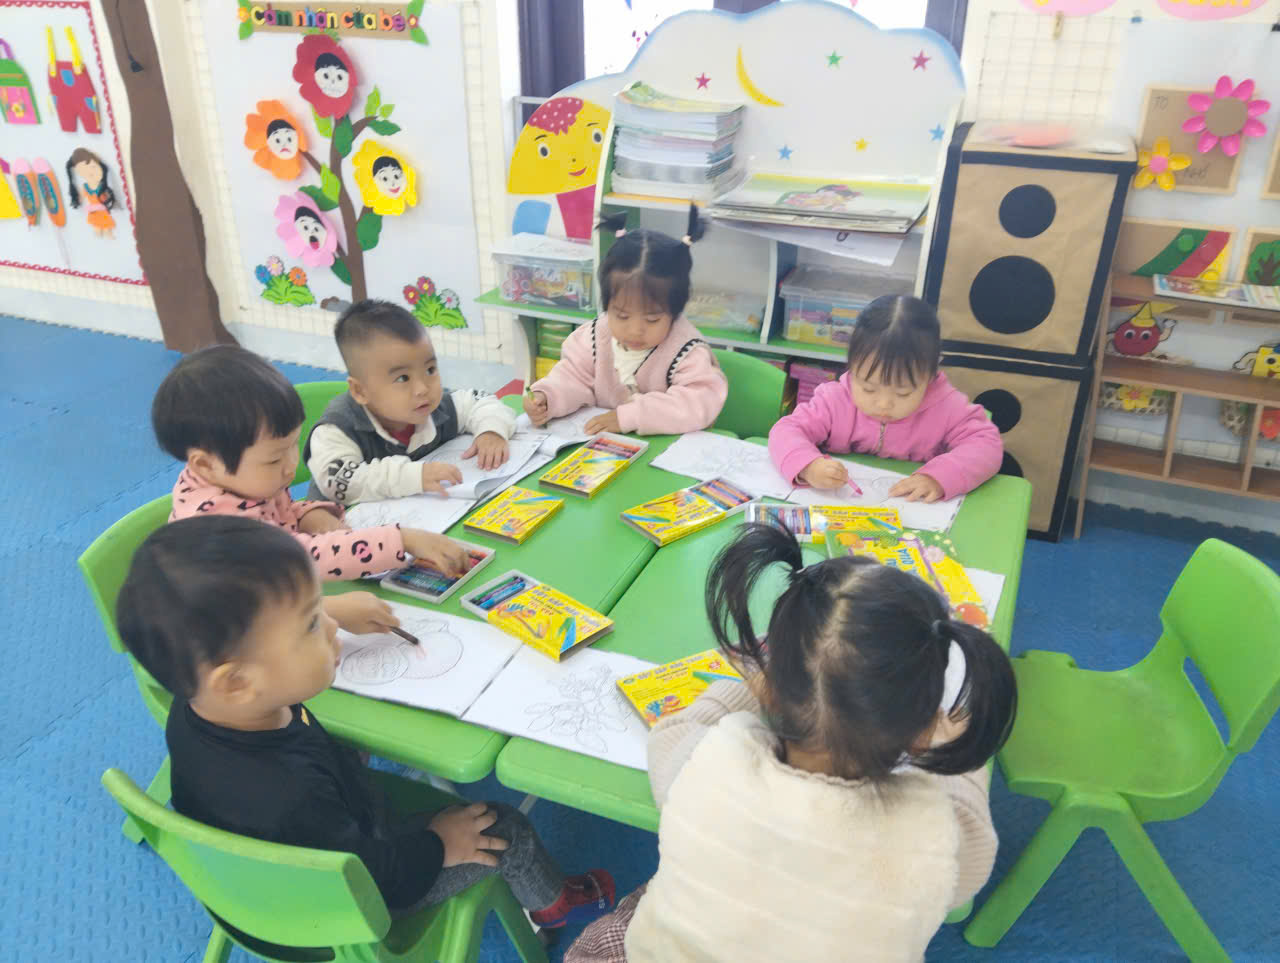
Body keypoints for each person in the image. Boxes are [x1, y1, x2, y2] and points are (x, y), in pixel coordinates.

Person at [117, 516, 616, 926]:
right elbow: (379, 880)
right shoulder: (292, 797)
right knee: (505, 828)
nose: (332, 624)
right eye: (311, 624)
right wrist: (437, 845)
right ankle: (554, 906)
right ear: (237, 681)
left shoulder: (202, 702)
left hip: (260, 874)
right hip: (344, 906)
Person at [566, 523, 1017, 962]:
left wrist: (745, 686)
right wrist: (952, 752)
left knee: (643, 912)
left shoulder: (707, 762)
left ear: (771, 687)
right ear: (920, 730)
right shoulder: (936, 833)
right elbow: (972, 838)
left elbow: (670, 734)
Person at [154, 344, 466, 582]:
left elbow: (275, 516)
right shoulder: (215, 524)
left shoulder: (239, 478)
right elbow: (298, 559)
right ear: (205, 464)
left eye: (293, 445)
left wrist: (307, 513)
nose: (292, 465)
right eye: (275, 458)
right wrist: (402, 540)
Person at [768, 295, 1002, 503]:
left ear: (930, 376)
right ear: (852, 367)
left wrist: (940, 477)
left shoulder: (947, 407)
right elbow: (786, 430)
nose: (883, 404)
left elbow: (986, 446)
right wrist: (808, 466)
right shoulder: (834, 401)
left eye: (903, 393)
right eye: (868, 389)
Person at [523, 206, 728, 436]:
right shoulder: (595, 336)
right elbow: (574, 377)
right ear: (607, 305)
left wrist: (631, 416)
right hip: (603, 447)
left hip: (667, 449)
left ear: (675, 311)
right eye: (621, 315)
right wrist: (548, 397)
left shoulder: (686, 350)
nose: (635, 330)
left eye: (652, 319)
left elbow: (696, 403)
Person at [305, 299, 517, 504]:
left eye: (430, 370)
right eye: (402, 378)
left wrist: (491, 431)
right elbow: (340, 482)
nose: (422, 388)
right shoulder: (336, 430)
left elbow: (480, 401)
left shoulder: (433, 408)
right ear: (360, 391)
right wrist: (414, 476)